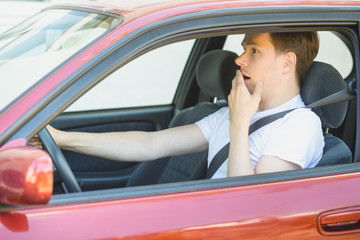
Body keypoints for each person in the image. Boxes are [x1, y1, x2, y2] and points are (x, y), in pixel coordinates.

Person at [32, 32, 324, 179]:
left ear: (287, 62)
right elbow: (149, 144)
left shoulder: (299, 125)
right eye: (243, 49)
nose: (239, 59)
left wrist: (239, 124)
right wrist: (61, 138)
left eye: (254, 51)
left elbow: (249, 205)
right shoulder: (229, 113)